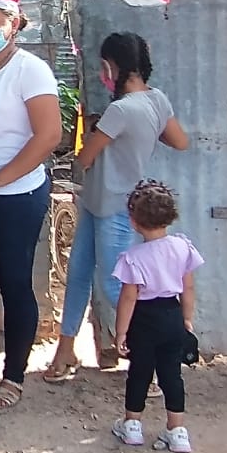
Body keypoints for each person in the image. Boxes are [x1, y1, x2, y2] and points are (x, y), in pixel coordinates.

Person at [45, 32, 189, 383]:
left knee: (116, 287)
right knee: (78, 275)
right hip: (104, 203)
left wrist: (98, 132)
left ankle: (151, 363)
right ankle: (66, 349)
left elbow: (85, 157)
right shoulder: (156, 101)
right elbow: (179, 141)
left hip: (110, 207)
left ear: (112, 66)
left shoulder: (119, 111)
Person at [0, 0, 63, 410]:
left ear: (14, 24)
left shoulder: (31, 71)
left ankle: (14, 375)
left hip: (18, 194)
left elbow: (49, 136)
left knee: (14, 282)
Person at [111, 180, 201, 453]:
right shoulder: (182, 247)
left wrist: (121, 332)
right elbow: (188, 287)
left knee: (139, 373)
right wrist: (186, 319)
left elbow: (128, 298)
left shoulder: (133, 257)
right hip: (172, 315)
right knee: (171, 375)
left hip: (144, 319)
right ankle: (177, 431)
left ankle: (132, 425)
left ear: (134, 221)